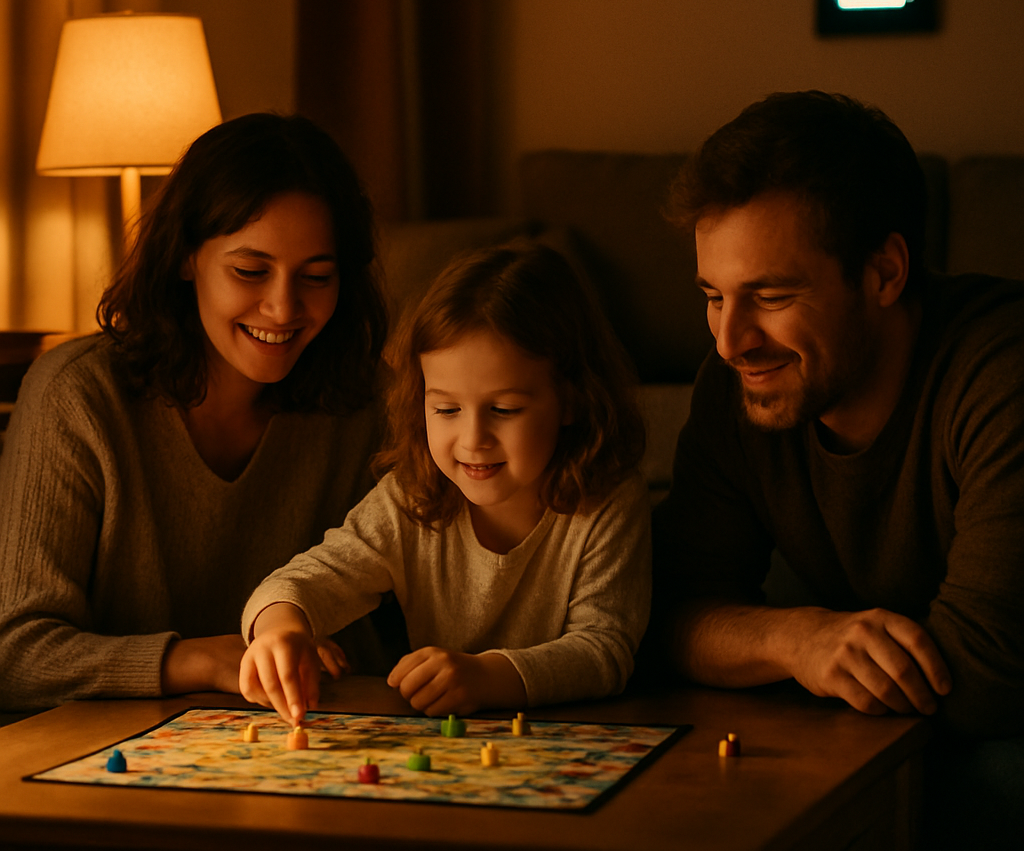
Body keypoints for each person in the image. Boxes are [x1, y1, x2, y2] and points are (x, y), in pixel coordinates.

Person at [656, 90, 1023, 843]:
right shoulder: (737, 387)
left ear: (885, 273)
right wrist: (798, 640)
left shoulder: (1003, 373)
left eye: (771, 295)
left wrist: (765, 652)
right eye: (713, 296)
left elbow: (986, 675)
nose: (730, 341)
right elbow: (660, 613)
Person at [0, 113, 388, 711]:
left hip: (313, 741)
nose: (284, 307)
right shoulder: (77, 397)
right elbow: (17, 654)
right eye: (250, 271)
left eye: (317, 276)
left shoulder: (364, 405)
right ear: (185, 257)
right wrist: (202, 659)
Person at [239, 243, 651, 724]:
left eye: (504, 410)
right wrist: (280, 627)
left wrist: (486, 678)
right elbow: (307, 579)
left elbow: (604, 651)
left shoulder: (610, 501)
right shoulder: (412, 495)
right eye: (447, 409)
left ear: (573, 401)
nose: (473, 439)